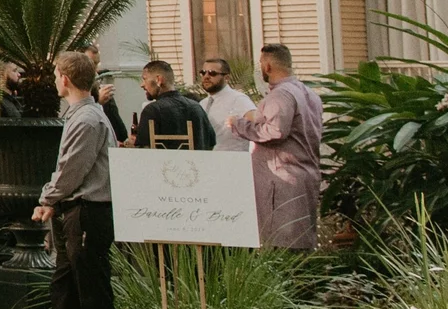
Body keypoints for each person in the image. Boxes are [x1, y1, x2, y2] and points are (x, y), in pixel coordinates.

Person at [31, 50, 121, 309]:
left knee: (92, 295)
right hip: (77, 209)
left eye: (56, 75)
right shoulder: (81, 116)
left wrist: (47, 199)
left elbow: (72, 168)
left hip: (88, 211)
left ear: (65, 79)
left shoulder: (86, 119)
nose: (55, 80)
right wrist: (54, 201)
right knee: (64, 289)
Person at [228, 43, 323, 248]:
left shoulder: (281, 95)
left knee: (282, 246)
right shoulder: (308, 93)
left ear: (268, 66)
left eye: (261, 63)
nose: (260, 67)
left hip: (281, 180)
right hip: (305, 174)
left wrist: (240, 124)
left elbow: (275, 131)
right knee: (301, 244)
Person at [130, 59, 215, 149]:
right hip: (195, 162)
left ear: (158, 79)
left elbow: (144, 149)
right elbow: (211, 142)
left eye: (145, 79)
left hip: (164, 163)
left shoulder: (152, 110)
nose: (142, 85)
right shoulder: (196, 107)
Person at [198, 57, 258, 148]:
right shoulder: (202, 104)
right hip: (206, 158)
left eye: (212, 73)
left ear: (226, 78)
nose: (206, 76)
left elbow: (258, 126)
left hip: (233, 158)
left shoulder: (239, 99)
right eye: (203, 73)